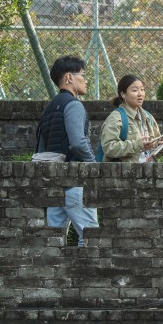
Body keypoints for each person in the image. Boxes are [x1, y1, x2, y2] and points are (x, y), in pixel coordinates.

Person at [36, 55, 98, 247]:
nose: (86, 80)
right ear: (69, 78)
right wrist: (94, 165)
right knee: (91, 238)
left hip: (54, 184)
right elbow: (78, 143)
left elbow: (41, 147)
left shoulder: (49, 108)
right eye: (83, 75)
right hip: (74, 182)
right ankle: (85, 277)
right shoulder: (73, 105)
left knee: (53, 243)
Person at [99, 74, 163, 163]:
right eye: (135, 90)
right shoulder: (116, 118)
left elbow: (150, 154)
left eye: (142, 89)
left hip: (148, 173)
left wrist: (160, 148)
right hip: (126, 175)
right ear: (123, 94)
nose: (140, 94)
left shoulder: (148, 117)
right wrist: (137, 145)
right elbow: (109, 148)